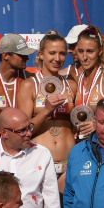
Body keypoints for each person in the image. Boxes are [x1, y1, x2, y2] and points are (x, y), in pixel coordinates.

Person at [30, 31, 78, 181]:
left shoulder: (71, 85)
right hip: (39, 164)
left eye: (62, 54)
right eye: (52, 53)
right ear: (41, 54)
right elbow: (23, 130)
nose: (57, 59)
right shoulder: (29, 85)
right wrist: (46, 110)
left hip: (69, 163)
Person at [0, 35, 40, 140]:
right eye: (22, 55)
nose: (27, 58)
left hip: (23, 145)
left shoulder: (29, 79)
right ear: (6, 56)